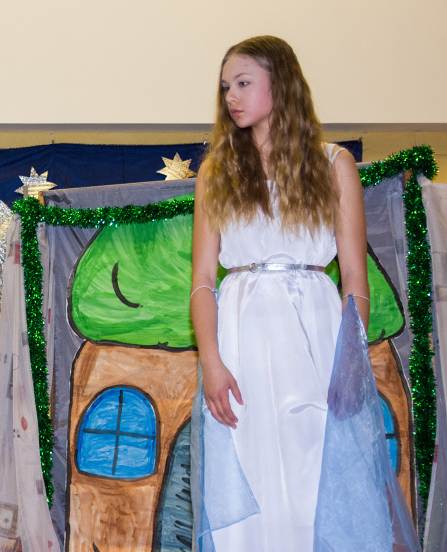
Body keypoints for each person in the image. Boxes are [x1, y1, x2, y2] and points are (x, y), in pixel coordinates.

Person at [189, 36, 416, 551]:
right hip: (241, 343)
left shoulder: (333, 164)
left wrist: (350, 363)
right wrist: (211, 362)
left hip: (315, 336)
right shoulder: (216, 173)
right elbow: (203, 279)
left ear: (281, 83)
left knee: (316, 469)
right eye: (226, 87)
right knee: (248, 465)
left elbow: (354, 277)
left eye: (243, 83)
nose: (231, 97)